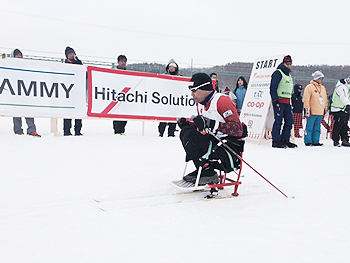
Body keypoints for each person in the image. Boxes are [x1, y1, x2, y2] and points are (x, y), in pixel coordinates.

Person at [177, 73, 246, 185]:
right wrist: (189, 125)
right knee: (186, 132)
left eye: (194, 90)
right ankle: (205, 170)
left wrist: (211, 123)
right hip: (213, 144)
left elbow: (238, 130)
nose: (192, 94)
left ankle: (208, 173)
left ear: (205, 89)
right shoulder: (200, 104)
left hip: (228, 149)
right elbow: (204, 127)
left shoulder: (222, 101)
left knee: (190, 135)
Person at [11, 49, 41, 137]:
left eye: (20, 55)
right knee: (16, 111)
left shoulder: (26, 65)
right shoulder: (9, 65)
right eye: (17, 55)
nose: (19, 57)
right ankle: (18, 130)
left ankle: (31, 130)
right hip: (14, 91)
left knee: (28, 110)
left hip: (26, 91)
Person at [269, 55, 297, 148]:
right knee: (278, 121)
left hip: (287, 101)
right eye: (287, 64)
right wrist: (275, 100)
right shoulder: (278, 73)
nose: (289, 66)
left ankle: (285, 139)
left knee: (289, 121)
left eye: (290, 64)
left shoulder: (288, 75)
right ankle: (276, 141)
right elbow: (273, 88)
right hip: (279, 101)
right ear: (283, 63)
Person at [302, 71, 328, 146]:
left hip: (320, 112)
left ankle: (316, 141)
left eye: (322, 78)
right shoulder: (309, 87)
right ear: (316, 78)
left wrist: (325, 108)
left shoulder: (323, 88)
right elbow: (306, 99)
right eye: (320, 78)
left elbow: (325, 99)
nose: (322, 80)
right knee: (309, 127)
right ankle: (308, 141)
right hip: (312, 111)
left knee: (317, 128)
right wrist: (307, 109)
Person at [63, 46, 83, 136]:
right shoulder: (65, 64)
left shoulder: (79, 63)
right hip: (67, 90)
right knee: (68, 112)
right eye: (70, 54)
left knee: (78, 111)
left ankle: (78, 130)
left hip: (78, 90)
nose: (72, 55)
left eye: (73, 53)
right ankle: (67, 131)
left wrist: (78, 63)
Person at [158, 59, 179, 137]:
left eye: (173, 67)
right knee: (163, 118)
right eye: (170, 67)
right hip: (165, 100)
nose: (172, 69)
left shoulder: (179, 78)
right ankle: (161, 133)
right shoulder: (164, 76)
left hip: (174, 101)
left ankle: (171, 133)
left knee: (173, 119)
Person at [330, 77, 350, 147]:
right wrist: (347, 105)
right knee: (339, 125)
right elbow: (343, 97)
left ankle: (345, 139)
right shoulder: (342, 87)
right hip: (338, 108)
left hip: (343, 109)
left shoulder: (346, 87)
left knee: (344, 125)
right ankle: (336, 140)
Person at [113, 55, 128, 135]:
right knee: (116, 115)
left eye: (125, 61)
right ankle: (117, 131)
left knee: (124, 115)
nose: (123, 63)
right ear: (118, 62)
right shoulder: (114, 71)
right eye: (122, 61)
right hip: (116, 96)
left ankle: (122, 131)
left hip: (125, 97)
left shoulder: (128, 72)